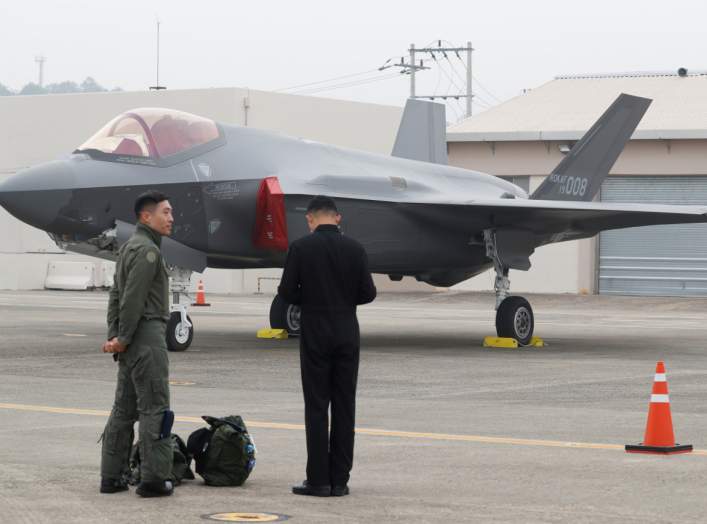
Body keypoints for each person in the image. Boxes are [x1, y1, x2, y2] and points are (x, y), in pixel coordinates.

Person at [278, 195, 377, 497]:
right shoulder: (355, 249)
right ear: (338, 217)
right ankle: (340, 480)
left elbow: (286, 292)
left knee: (317, 406)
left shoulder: (301, 248)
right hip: (347, 331)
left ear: (310, 219)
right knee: (345, 406)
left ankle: (318, 480)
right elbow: (368, 293)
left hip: (315, 333)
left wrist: (310, 298)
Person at [100, 190, 175, 497]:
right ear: (147, 217)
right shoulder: (148, 251)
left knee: (123, 409)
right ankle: (154, 479)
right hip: (146, 337)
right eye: (166, 212)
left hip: (130, 340)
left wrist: (115, 336)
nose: (171, 218)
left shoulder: (129, 246)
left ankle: (111, 477)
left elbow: (115, 296)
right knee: (154, 407)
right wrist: (125, 337)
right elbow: (132, 298)